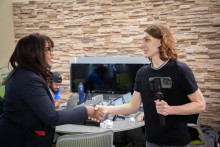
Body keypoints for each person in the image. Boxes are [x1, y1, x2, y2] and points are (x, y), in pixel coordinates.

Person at [95, 24, 206, 147]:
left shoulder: (181, 70)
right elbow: (133, 106)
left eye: (147, 40)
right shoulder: (142, 73)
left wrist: (171, 109)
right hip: (151, 140)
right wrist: (106, 109)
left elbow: (200, 105)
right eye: (143, 40)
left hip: (176, 141)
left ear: (161, 42)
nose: (142, 45)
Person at [0, 33, 104, 147]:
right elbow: (52, 118)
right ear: (33, 52)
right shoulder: (29, 79)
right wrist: (86, 111)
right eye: (48, 49)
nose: (52, 53)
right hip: (21, 139)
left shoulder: (22, 74)